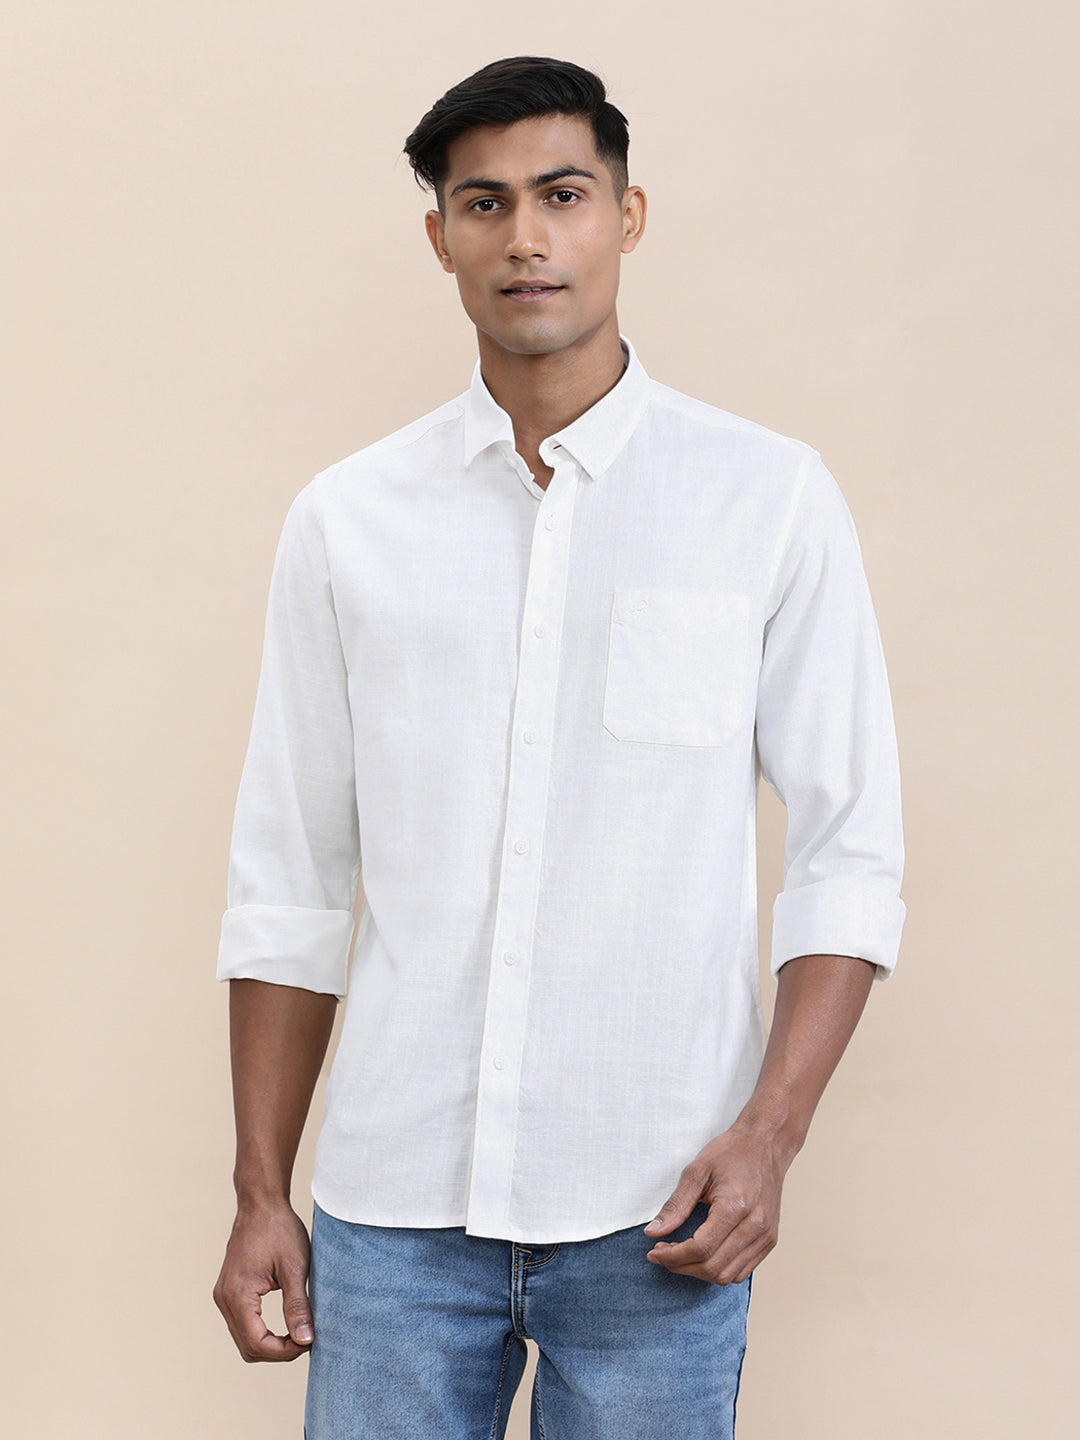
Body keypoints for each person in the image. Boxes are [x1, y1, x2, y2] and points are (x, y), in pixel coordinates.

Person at [212, 55, 906, 1440]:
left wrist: (771, 1137)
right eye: (485, 204)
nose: (526, 237)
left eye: (563, 194)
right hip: (392, 1210)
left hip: (660, 1201)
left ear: (628, 216)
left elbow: (850, 853)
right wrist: (258, 1190)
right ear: (441, 238)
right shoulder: (349, 521)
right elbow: (291, 877)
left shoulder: (767, 500)